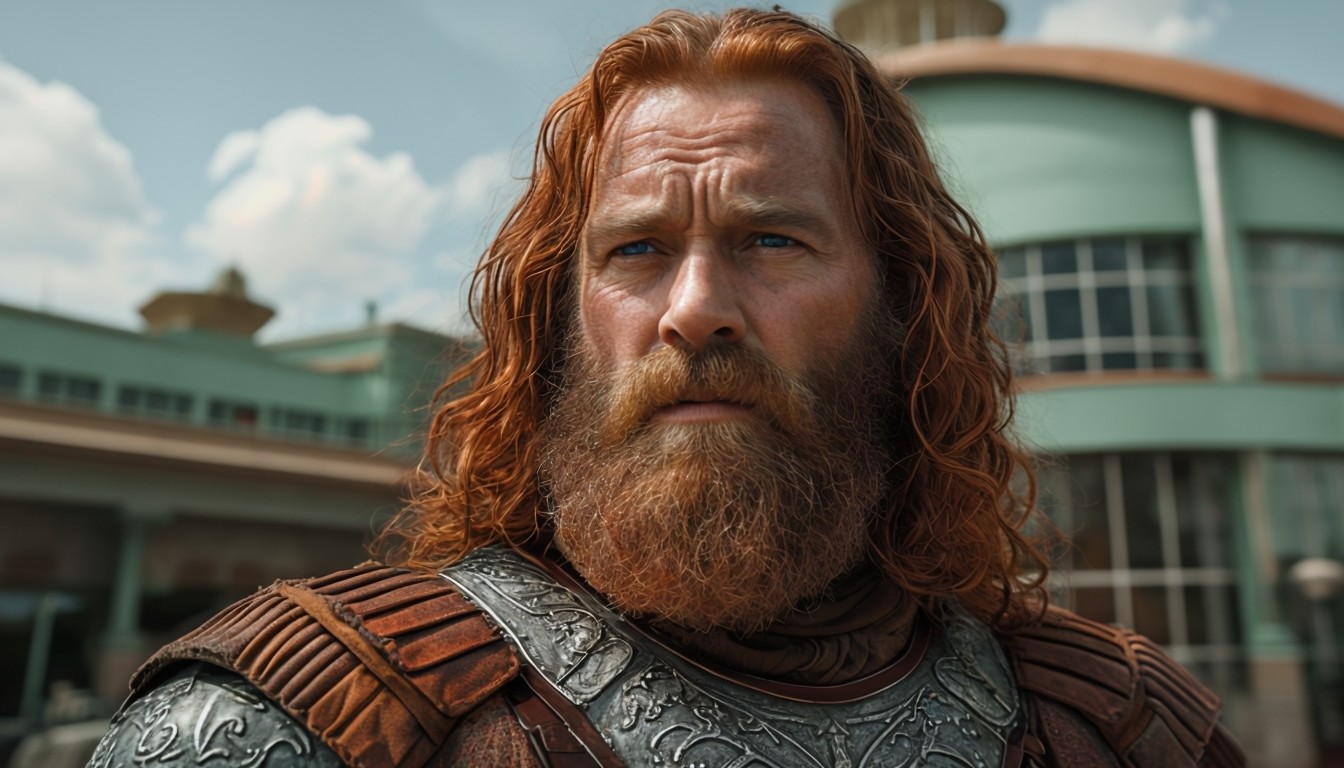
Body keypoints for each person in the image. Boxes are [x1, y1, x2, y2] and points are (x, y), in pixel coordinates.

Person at [87, 8, 1242, 767]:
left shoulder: (1119, 730)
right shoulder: (302, 727)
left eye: (774, 241)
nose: (695, 307)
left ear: (904, 314)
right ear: (556, 321)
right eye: (636, 250)